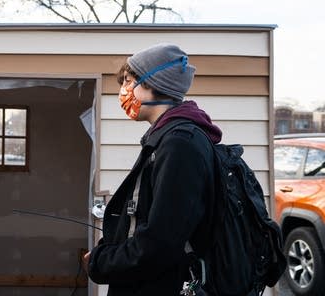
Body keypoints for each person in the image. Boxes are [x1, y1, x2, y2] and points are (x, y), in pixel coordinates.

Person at [83, 43, 223, 295]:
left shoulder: (180, 144)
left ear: (154, 82)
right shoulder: (166, 138)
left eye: (128, 81)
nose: (123, 91)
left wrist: (100, 262)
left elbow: (160, 244)